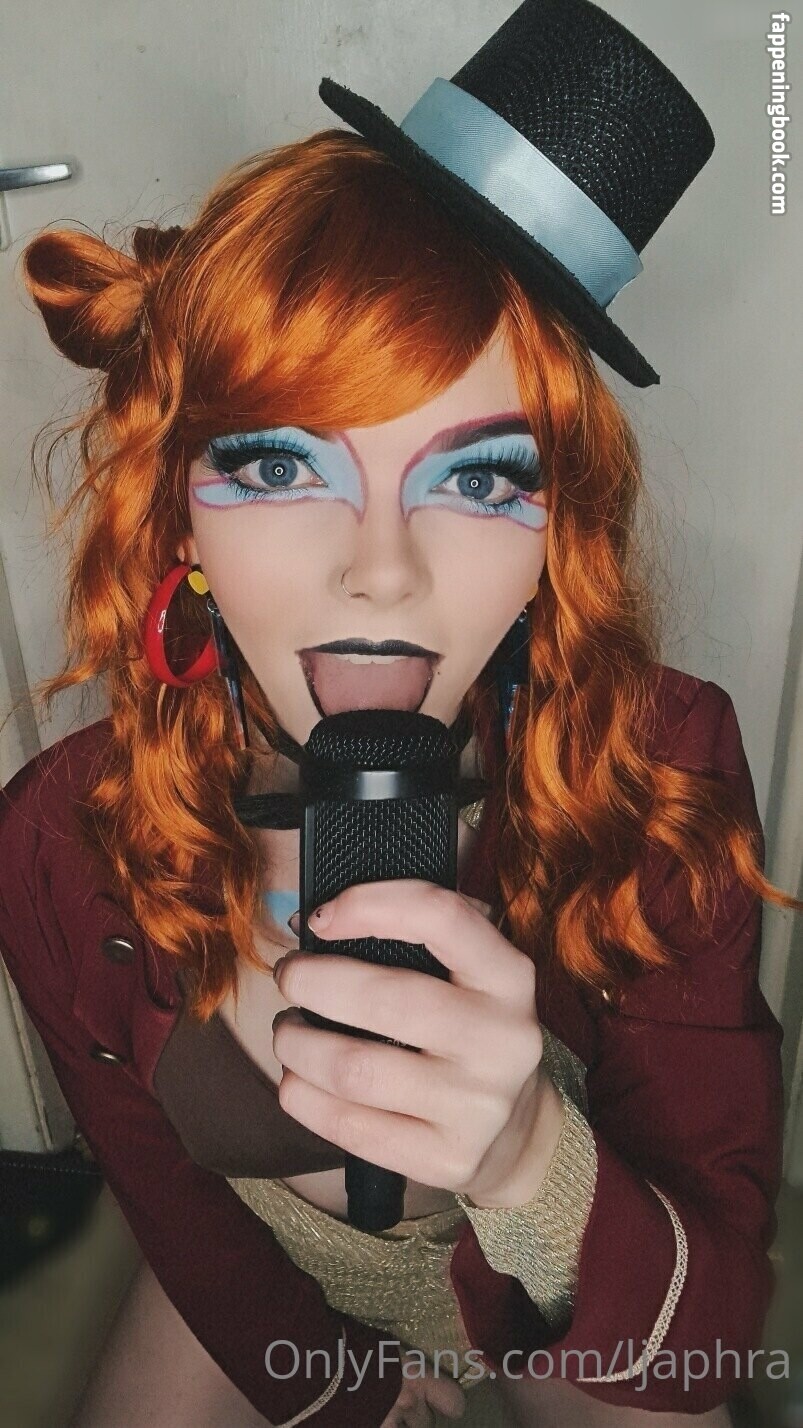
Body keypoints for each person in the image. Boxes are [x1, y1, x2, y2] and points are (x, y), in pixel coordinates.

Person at [2, 1, 801, 1425]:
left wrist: (530, 1165)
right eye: (278, 467)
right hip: (276, 1287)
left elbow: (712, 1318)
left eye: (479, 478)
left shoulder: (664, 765)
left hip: (570, 1302)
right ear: (176, 508)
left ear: (558, 533)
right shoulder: (57, 838)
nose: (382, 571)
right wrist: (341, 1393)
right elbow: (177, 1210)